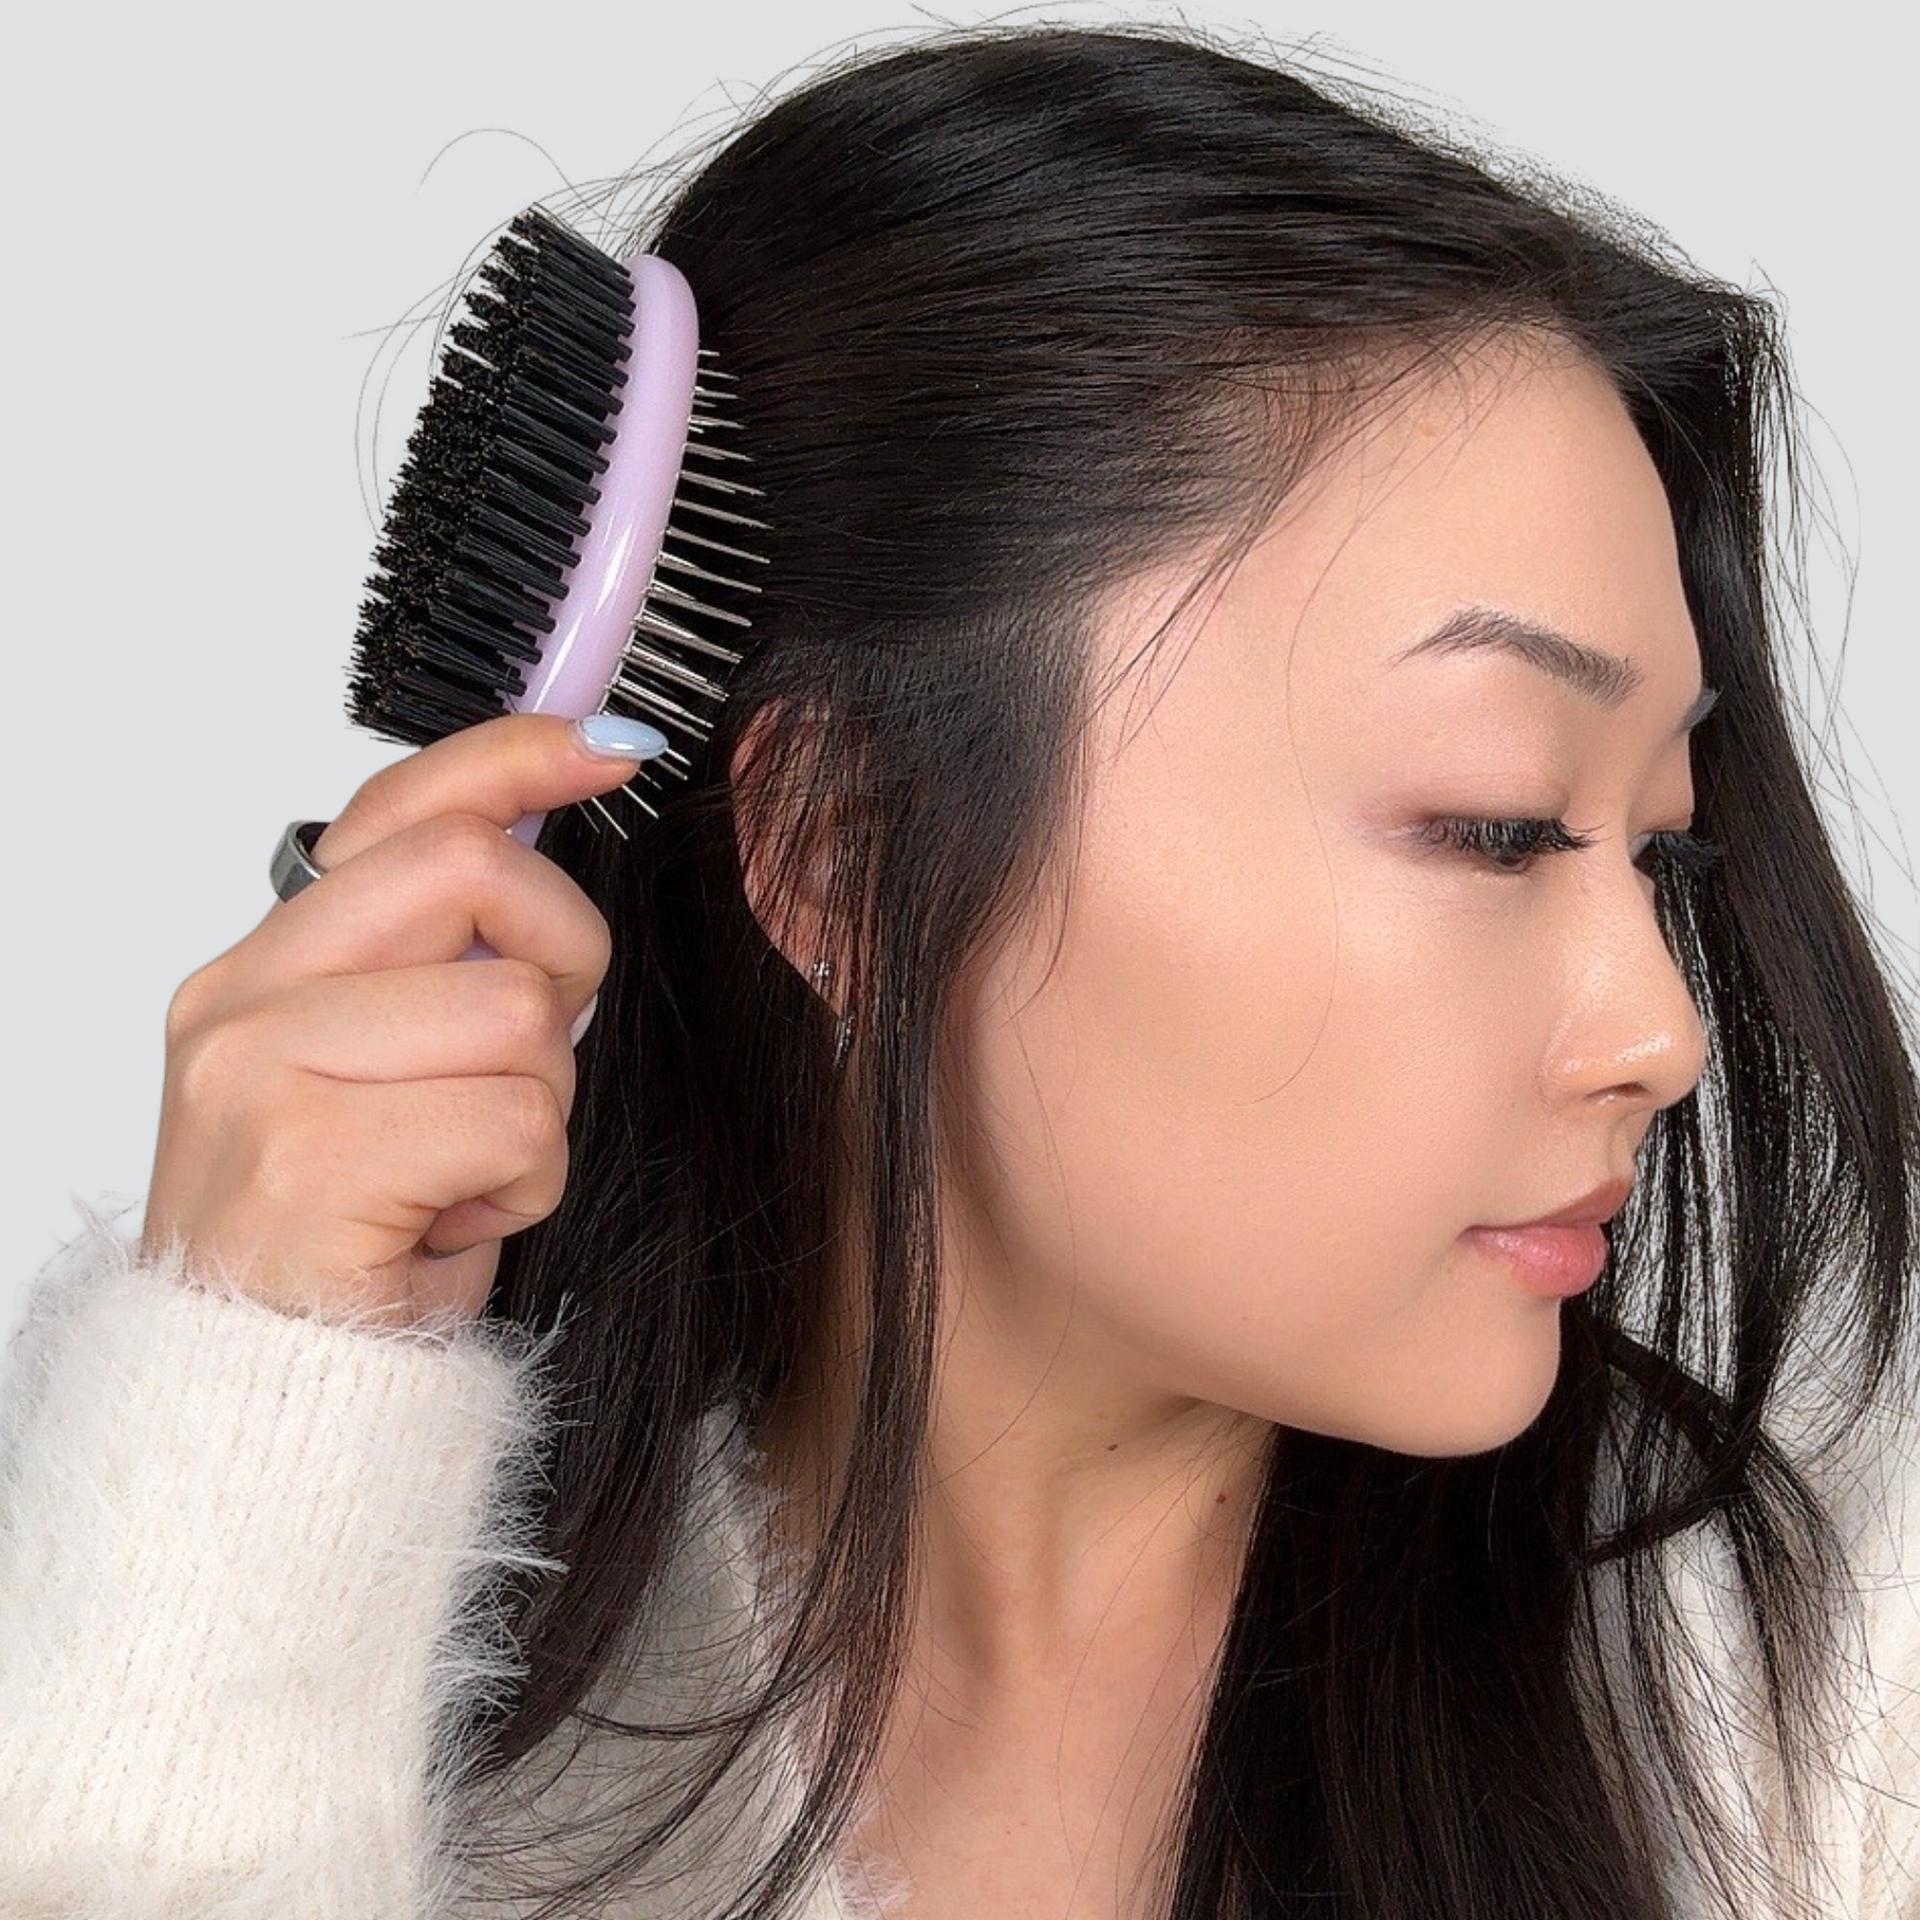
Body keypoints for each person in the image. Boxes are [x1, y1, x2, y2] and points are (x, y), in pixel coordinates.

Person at [3, 20, 1917, 1920]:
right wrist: (237, 1485)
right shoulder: (350, 1730)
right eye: (1497, 827)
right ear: (843, 855)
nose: (1663, 1031)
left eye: (1660, 845)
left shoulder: (1838, 1721)